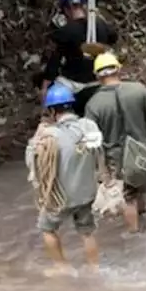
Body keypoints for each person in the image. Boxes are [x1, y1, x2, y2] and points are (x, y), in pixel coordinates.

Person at [25, 84, 104, 277]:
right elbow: (99, 149)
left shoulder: (48, 137)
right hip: (86, 193)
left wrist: (36, 137)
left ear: (52, 110)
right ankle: (94, 269)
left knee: (47, 228)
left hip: (61, 197)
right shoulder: (88, 126)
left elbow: (31, 163)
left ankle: (62, 267)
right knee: (87, 231)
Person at [84, 52, 146, 234]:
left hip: (118, 159)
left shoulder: (93, 104)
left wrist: (101, 171)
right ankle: (145, 222)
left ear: (97, 76)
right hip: (144, 152)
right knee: (142, 189)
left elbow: (92, 143)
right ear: (119, 69)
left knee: (129, 198)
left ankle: (134, 238)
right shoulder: (139, 90)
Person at [39, 0, 119, 116]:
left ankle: (51, 120)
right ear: (83, 6)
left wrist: (45, 87)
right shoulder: (102, 25)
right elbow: (113, 38)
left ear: (66, 10)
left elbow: (54, 61)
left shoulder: (64, 32)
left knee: (53, 92)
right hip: (99, 78)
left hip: (75, 83)